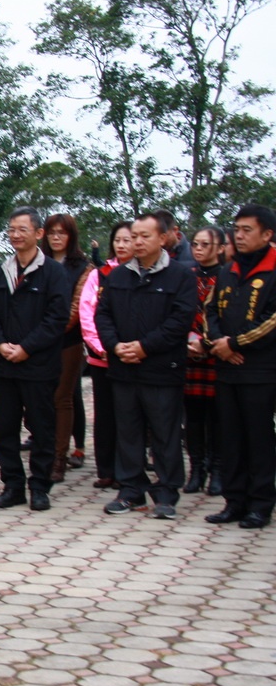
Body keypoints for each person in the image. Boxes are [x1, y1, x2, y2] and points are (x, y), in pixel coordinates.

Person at [96, 213, 198, 520]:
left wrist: (144, 347)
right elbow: (103, 315)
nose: (137, 242)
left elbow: (180, 321)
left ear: (163, 238)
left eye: (144, 236)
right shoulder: (117, 276)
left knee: (165, 434)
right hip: (123, 367)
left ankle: (166, 493)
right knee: (128, 431)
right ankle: (131, 490)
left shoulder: (181, 275)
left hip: (161, 368)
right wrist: (115, 346)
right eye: (134, 235)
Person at [0, 207, 69, 511]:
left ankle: (40, 486)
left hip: (39, 365)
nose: (15, 235)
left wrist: (27, 348)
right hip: (4, 365)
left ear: (38, 233)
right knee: (5, 428)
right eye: (11, 230)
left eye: (22, 229)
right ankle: (13, 485)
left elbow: (56, 319)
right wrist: (1, 345)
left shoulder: (54, 273)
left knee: (42, 427)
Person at [203, 203, 276, 529]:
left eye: (247, 229)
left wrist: (235, 343)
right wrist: (219, 344)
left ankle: (260, 504)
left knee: (258, 439)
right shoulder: (227, 270)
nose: (239, 235)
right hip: (227, 369)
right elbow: (209, 312)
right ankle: (234, 501)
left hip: (260, 370)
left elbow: (271, 321)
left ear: (267, 234)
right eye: (237, 229)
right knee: (230, 437)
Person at [79, 221, 134, 489]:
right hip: (102, 357)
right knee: (105, 415)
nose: (122, 245)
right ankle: (106, 469)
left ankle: (129, 471)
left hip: (134, 358)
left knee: (130, 416)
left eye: (128, 240)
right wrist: (103, 347)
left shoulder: (142, 273)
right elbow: (87, 314)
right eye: (118, 240)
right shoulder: (99, 274)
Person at [41, 214, 94, 484]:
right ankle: (44, 451)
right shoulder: (40, 263)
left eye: (62, 233)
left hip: (67, 342)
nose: (57, 237)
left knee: (62, 398)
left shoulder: (83, 268)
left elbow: (78, 307)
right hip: (38, 344)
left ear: (71, 236)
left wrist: (47, 330)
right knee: (39, 400)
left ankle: (59, 457)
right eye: (52, 232)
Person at [183, 226, 227, 495]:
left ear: (220, 248)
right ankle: (196, 468)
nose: (198, 249)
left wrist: (207, 343)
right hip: (188, 353)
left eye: (205, 244)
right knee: (193, 416)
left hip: (217, 354)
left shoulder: (228, 277)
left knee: (218, 416)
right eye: (195, 244)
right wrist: (188, 340)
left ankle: (218, 469)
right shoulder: (186, 276)